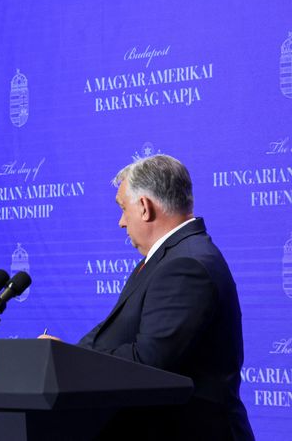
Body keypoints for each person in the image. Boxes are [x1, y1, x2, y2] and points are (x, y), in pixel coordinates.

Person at [41, 154, 253, 440]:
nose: (120, 222)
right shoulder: (170, 258)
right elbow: (117, 336)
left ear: (144, 207)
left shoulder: (185, 265)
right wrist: (68, 355)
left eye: (122, 208)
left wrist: (70, 360)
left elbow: (148, 361)